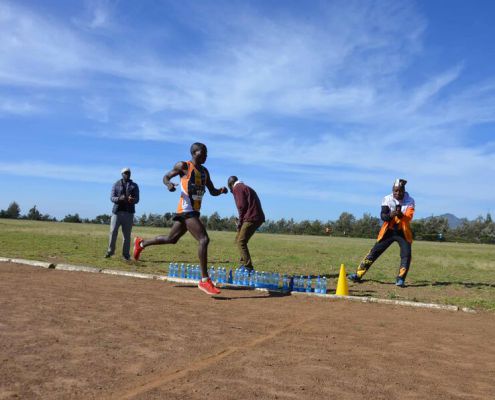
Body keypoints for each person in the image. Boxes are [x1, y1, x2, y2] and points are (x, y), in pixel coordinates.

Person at [133, 143, 228, 295]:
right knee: (204, 239)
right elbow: (166, 177)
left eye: (207, 153)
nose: (206, 156)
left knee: (171, 239)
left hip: (193, 211)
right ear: (194, 152)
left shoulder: (204, 172)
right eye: (203, 153)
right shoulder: (184, 166)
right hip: (186, 210)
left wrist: (221, 191)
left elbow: (212, 190)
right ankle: (204, 281)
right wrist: (168, 184)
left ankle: (141, 243)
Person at [348, 178, 415, 287]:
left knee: (406, 254)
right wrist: (390, 216)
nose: (398, 193)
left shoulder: (410, 200)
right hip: (388, 231)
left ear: (404, 191)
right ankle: (358, 274)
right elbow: (383, 216)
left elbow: (409, 218)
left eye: (400, 191)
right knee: (374, 252)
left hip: (403, 231)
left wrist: (400, 215)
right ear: (392, 190)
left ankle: (400, 279)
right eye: (395, 191)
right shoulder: (387, 199)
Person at [227, 176, 265, 271]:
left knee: (241, 241)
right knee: (240, 239)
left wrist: (240, 221)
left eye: (230, 190)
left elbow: (241, 206)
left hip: (251, 218)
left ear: (231, 185)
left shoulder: (237, 188)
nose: (231, 192)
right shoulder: (246, 187)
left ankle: (248, 267)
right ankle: (244, 262)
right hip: (256, 217)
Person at [105, 167, 140, 260]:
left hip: (129, 213)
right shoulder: (116, 184)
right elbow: (112, 198)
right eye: (125, 173)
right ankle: (110, 252)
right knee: (113, 232)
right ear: (122, 174)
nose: (127, 174)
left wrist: (132, 200)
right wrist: (119, 198)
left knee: (127, 235)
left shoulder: (135, 185)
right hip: (117, 212)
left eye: (128, 173)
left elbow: (137, 199)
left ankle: (125, 255)